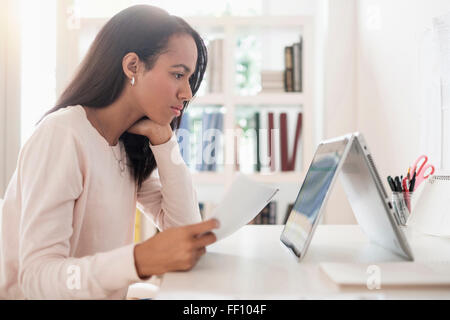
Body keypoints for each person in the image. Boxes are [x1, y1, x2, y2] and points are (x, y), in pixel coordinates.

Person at [0, 5, 219, 299]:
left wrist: (165, 142)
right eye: (178, 75)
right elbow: (38, 280)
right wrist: (138, 260)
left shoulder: (127, 144)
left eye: (190, 79)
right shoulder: (63, 135)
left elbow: (187, 231)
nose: (188, 93)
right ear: (132, 66)